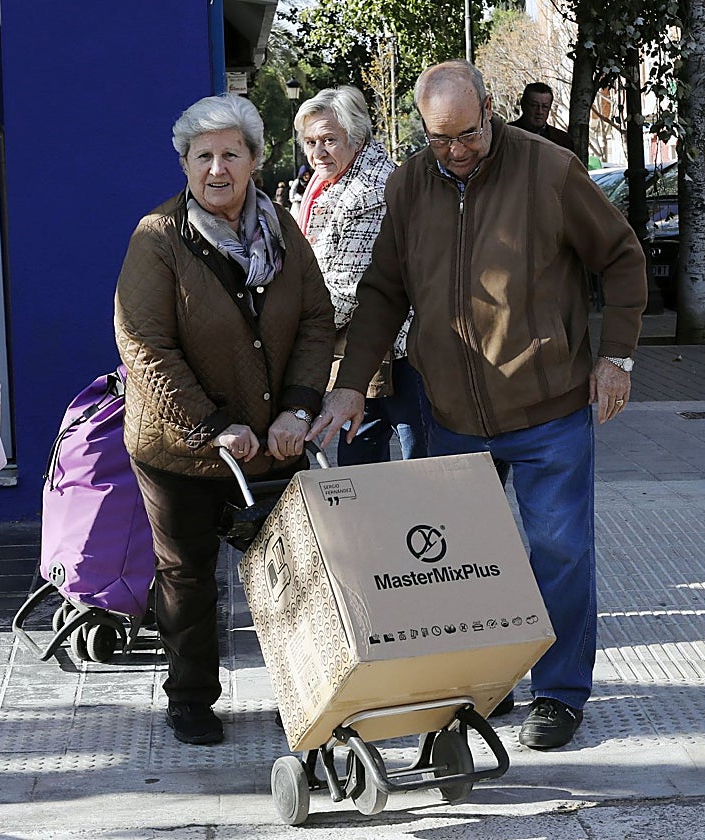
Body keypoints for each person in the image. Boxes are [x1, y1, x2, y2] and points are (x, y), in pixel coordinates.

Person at [307, 61, 646, 750]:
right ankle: (480, 690)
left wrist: (616, 356)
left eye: (468, 133)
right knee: (462, 564)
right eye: (440, 139)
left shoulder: (550, 171)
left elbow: (620, 255)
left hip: (548, 407)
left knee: (559, 552)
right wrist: (350, 383)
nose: (457, 151)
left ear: (489, 109)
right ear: (421, 129)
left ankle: (557, 694)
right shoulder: (408, 184)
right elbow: (381, 293)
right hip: (453, 414)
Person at [115, 94, 334, 745]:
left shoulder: (283, 230)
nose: (217, 168)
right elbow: (143, 345)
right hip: (181, 448)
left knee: (293, 575)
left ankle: (302, 690)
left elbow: (317, 319)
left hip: (274, 442)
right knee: (186, 573)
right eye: (202, 156)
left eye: (230, 154)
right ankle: (189, 699)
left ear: (255, 161)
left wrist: (299, 404)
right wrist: (212, 426)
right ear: (184, 165)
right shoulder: (158, 239)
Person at [293, 85, 428, 466]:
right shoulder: (330, 184)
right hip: (365, 354)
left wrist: (294, 330)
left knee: (423, 469)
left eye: (328, 140)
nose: (317, 153)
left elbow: (348, 289)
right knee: (362, 463)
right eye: (310, 142)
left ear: (356, 137)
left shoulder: (368, 190)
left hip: (401, 353)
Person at [508, 82, 574, 152]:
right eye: (534, 105)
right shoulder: (507, 134)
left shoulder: (562, 140)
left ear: (550, 108)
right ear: (523, 105)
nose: (539, 111)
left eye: (545, 107)